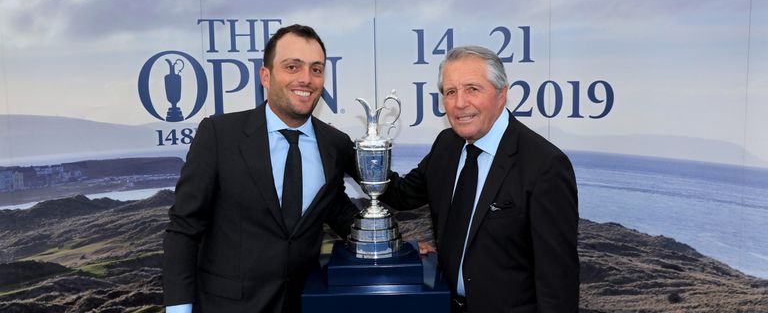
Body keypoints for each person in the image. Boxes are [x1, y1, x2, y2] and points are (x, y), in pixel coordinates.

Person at [163, 24, 359, 313]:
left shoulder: (335, 143)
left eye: (316, 70)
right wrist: (179, 309)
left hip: (303, 304)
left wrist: (393, 243)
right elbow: (184, 229)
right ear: (265, 76)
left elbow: (335, 208)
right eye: (293, 67)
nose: (306, 79)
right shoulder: (219, 135)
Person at [380, 46, 579, 313]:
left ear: (501, 94)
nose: (460, 103)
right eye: (450, 92)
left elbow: (558, 281)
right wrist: (347, 151)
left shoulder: (545, 165)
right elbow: (402, 194)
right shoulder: (446, 145)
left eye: (472, 89)